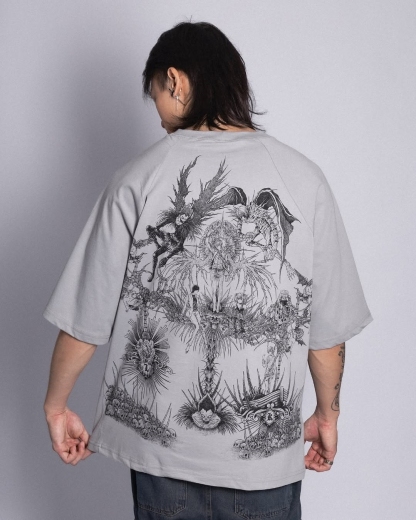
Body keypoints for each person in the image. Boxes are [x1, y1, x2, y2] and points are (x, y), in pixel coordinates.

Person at [43, 21, 372, 520]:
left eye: (155, 94)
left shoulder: (136, 178)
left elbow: (84, 321)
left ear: (174, 80)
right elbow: (326, 335)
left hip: (162, 465)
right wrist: (328, 416)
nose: (158, 117)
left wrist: (56, 405)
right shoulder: (305, 180)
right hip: (263, 471)